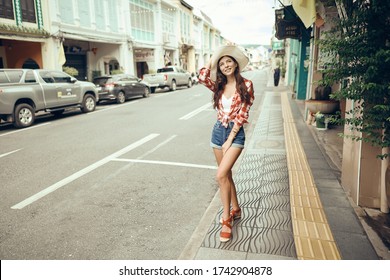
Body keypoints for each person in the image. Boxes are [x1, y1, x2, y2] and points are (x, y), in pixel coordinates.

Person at [198, 45, 254, 242]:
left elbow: (243, 114)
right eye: (221, 64)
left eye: (228, 61)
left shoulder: (246, 85)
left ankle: (226, 218)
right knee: (227, 174)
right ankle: (236, 208)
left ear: (236, 63)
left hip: (235, 135)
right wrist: (214, 56)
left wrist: (230, 139)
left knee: (221, 175)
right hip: (217, 132)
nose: (225, 65)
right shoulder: (218, 85)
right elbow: (202, 77)